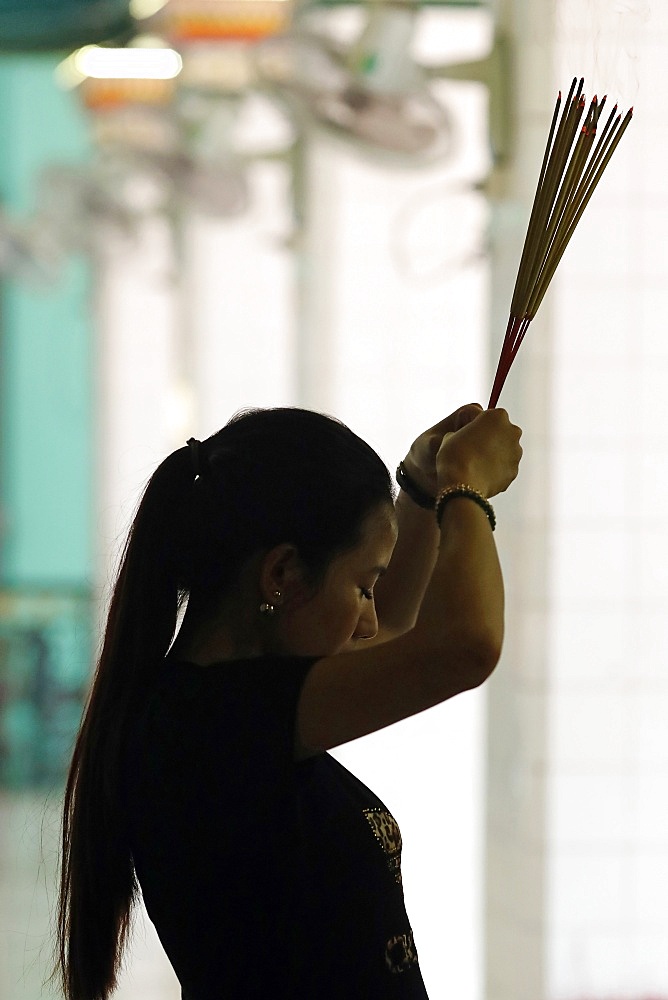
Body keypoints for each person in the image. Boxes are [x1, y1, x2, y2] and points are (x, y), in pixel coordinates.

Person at [55, 401, 522, 1000]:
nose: (370, 619)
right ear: (282, 575)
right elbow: (467, 644)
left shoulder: (218, 701)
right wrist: (467, 491)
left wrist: (421, 488)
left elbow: (401, 627)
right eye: (362, 587)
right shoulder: (210, 725)